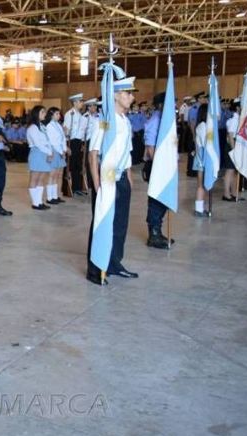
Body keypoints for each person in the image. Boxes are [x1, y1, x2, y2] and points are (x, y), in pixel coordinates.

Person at [86, 76, 139, 285]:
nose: (132, 97)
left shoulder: (126, 120)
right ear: (116, 95)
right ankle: (95, 269)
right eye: (128, 93)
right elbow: (93, 154)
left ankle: (114, 264)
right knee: (101, 223)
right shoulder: (105, 121)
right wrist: (97, 184)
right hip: (106, 180)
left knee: (119, 225)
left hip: (122, 179)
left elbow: (127, 153)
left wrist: (129, 177)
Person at [143, 92, 173, 249]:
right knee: (156, 199)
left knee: (164, 199)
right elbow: (150, 148)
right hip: (156, 166)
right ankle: (153, 234)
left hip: (164, 165)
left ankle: (158, 231)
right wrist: (159, 166)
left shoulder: (165, 120)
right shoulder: (155, 120)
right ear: (161, 105)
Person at [25, 106, 52, 210]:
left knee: (41, 178)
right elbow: (38, 143)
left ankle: (39, 201)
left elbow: (47, 140)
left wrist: (49, 151)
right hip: (37, 153)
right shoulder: (32, 127)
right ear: (36, 114)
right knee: (34, 178)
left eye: (45, 112)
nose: (45, 114)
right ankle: (35, 203)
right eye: (42, 112)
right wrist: (49, 152)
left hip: (44, 153)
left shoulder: (42, 126)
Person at [64, 93, 87, 195]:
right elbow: (66, 130)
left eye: (82, 101)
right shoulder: (70, 114)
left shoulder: (80, 115)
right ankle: (66, 189)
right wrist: (67, 145)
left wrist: (82, 143)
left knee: (78, 166)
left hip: (78, 142)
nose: (82, 103)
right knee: (70, 166)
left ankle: (76, 188)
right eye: (80, 101)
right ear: (75, 102)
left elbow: (82, 131)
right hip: (71, 142)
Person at [193, 103, 212, 217]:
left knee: (203, 184)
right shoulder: (203, 126)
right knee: (201, 185)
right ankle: (199, 209)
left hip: (203, 155)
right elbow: (206, 143)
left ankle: (200, 208)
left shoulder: (203, 125)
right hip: (202, 157)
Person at [45, 107, 67, 205]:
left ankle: (56, 195)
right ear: (51, 115)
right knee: (52, 175)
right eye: (57, 114)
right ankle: (50, 197)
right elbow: (53, 142)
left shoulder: (58, 125)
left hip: (61, 151)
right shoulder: (49, 126)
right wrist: (61, 151)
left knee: (58, 175)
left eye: (59, 114)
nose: (59, 115)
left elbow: (63, 139)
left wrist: (64, 150)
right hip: (55, 151)